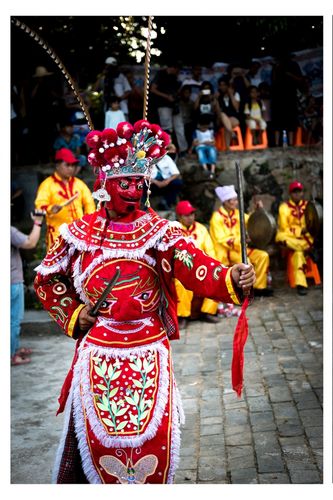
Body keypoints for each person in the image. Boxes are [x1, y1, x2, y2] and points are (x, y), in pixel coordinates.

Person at [33, 119, 256, 484]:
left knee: (151, 440)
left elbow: (193, 264)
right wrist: (74, 314)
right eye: (126, 182)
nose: (134, 190)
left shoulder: (160, 231)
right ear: (105, 184)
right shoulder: (76, 234)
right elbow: (46, 278)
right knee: (92, 443)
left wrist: (228, 277)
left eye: (140, 182)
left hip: (148, 349)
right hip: (98, 349)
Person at [210, 185, 272, 297]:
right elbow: (221, 239)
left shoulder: (238, 214)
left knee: (263, 256)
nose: (236, 202)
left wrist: (258, 211)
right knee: (246, 263)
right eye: (233, 200)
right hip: (228, 252)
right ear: (226, 202)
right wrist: (242, 240)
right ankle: (246, 291)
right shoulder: (216, 218)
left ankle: (259, 287)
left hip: (242, 249)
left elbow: (252, 221)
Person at [34, 147, 96, 251]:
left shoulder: (79, 184)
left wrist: (89, 224)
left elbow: (89, 204)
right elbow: (40, 205)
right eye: (67, 165)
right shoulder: (47, 185)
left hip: (79, 234)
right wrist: (50, 208)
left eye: (73, 165)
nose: (71, 168)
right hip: (57, 236)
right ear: (57, 166)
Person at [174, 200, 222, 328]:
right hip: (182, 269)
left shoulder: (201, 229)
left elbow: (210, 250)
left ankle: (207, 312)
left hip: (201, 267)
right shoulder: (174, 231)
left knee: (215, 277)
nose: (190, 217)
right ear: (179, 217)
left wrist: (213, 266)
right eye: (186, 215)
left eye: (192, 214)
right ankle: (183, 315)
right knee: (180, 284)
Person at [11, 210, 45, 365]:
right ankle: (11, 355)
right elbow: (30, 242)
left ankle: (14, 348)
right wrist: (38, 222)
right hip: (12, 282)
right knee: (13, 320)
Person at [275, 181, 314, 295]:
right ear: (290, 194)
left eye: (299, 191)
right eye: (294, 192)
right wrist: (299, 231)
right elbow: (284, 228)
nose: (297, 194)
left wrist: (305, 231)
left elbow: (312, 224)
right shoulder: (284, 207)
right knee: (281, 236)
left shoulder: (308, 206)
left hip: (305, 239)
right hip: (292, 239)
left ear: (302, 193)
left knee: (293, 247)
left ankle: (301, 284)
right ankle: (301, 284)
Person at [150, 61, 188, 156]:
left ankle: (183, 150)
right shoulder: (161, 74)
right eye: (177, 70)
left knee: (180, 127)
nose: (178, 72)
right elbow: (153, 89)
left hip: (174, 104)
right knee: (167, 128)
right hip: (163, 105)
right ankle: (167, 150)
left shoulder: (175, 77)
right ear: (173, 68)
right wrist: (166, 96)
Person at [217, 77, 241, 150]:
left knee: (227, 124)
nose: (222, 87)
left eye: (224, 85)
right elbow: (218, 112)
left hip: (232, 118)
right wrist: (216, 99)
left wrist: (231, 95)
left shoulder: (236, 94)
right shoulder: (218, 96)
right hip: (220, 119)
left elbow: (236, 108)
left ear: (227, 86)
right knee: (222, 115)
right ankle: (232, 133)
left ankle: (227, 147)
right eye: (221, 85)